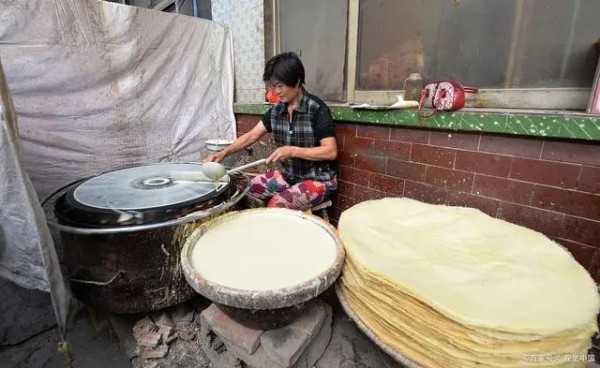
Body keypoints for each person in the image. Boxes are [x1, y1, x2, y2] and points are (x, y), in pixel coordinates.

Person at [204, 52, 338, 211]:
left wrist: (292, 151)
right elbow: (252, 136)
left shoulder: (316, 109)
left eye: (280, 86)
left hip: (318, 181)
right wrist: (224, 153)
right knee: (242, 187)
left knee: (277, 204)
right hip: (289, 177)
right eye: (273, 86)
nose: (276, 91)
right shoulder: (277, 110)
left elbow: (330, 151)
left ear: (297, 81)